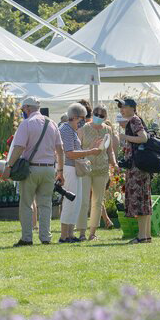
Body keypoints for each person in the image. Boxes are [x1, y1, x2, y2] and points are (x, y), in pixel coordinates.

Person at [4, 97, 64, 246]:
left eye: (23, 109)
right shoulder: (52, 124)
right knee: (45, 205)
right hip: (49, 168)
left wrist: (8, 167)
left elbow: (18, 148)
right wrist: (60, 171)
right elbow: (60, 150)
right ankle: (45, 237)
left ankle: (27, 237)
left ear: (27, 108)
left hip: (31, 169)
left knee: (26, 204)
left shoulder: (26, 124)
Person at [59, 102, 103, 243]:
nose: (84, 121)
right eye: (82, 118)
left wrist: (91, 147)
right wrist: (90, 151)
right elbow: (70, 154)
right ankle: (64, 235)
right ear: (76, 117)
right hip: (69, 168)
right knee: (69, 201)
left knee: (75, 202)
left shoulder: (71, 130)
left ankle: (70, 234)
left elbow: (76, 151)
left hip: (75, 169)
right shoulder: (66, 129)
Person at [80, 104, 118, 240]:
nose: (98, 117)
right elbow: (77, 148)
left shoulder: (108, 130)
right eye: (96, 113)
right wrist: (90, 148)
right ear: (92, 114)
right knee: (84, 201)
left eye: (102, 115)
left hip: (102, 169)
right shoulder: (83, 128)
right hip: (86, 168)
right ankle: (82, 233)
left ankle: (92, 233)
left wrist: (114, 163)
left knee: (97, 202)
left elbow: (110, 150)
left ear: (105, 117)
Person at [118, 98, 153, 244]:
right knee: (144, 201)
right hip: (141, 167)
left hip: (137, 168)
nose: (121, 109)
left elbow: (143, 138)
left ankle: (141, 236)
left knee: (139, 201)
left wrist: (125, 136)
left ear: (132, 108)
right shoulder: (135, 120)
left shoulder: (133, 120)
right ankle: (145, 236)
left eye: (123, 106)